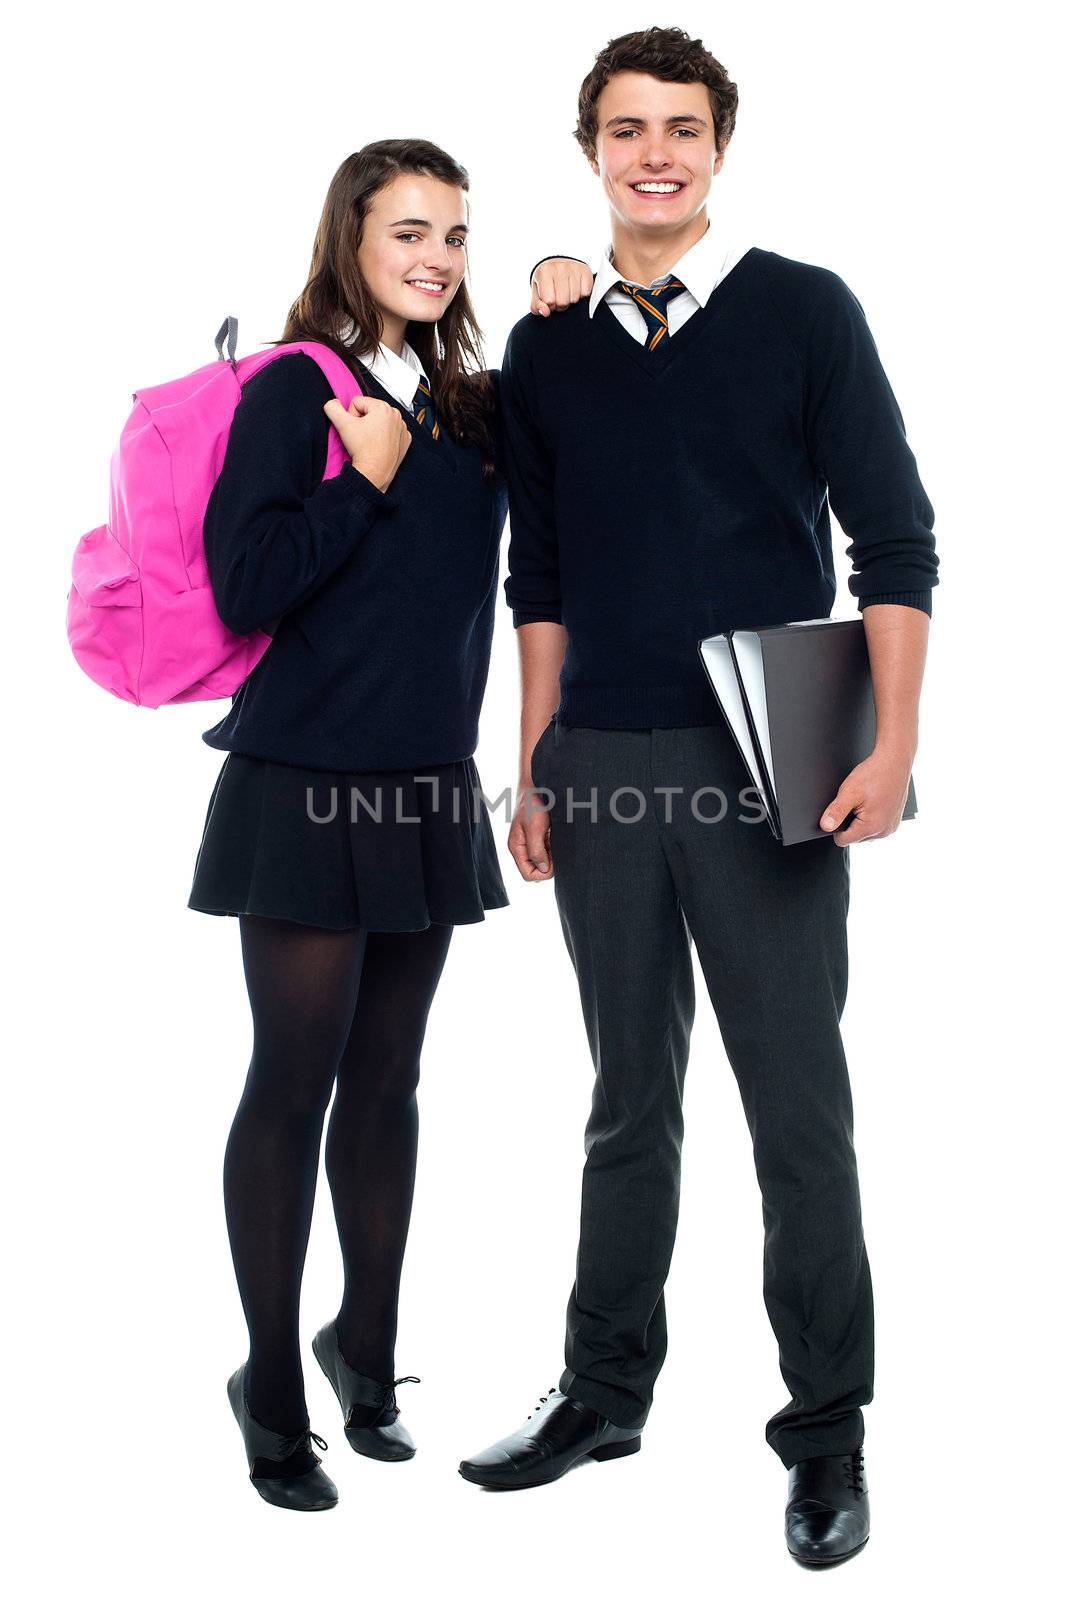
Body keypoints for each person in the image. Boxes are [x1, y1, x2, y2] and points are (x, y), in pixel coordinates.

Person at [457, 28, 939, 1570]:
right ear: (587, 150)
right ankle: (602, 1394)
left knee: (797, 1113)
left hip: (770, 763)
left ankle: (826, 1435)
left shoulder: (803, 313)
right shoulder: (547, 345)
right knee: (623, 1105)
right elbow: (534, 574)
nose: (652, 151)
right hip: (598, 760)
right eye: (623, 129)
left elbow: (896, 544)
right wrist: (529, 763)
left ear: (719, 146)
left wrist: (889, 745)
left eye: (679, 127)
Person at [187, 137, 583, 1510]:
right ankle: (270, 1384)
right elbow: (245, 588)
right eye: (408, 230)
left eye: (456, 234)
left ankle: (362, 1349)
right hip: (300, 783)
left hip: (422, 785)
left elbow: (561, 491)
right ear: (350, 237)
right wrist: (358, 478)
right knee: (289, 1085)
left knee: (389, 1084)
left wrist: (561, 307)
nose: (435, 256)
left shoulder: (470, 405)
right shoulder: (302, 389)